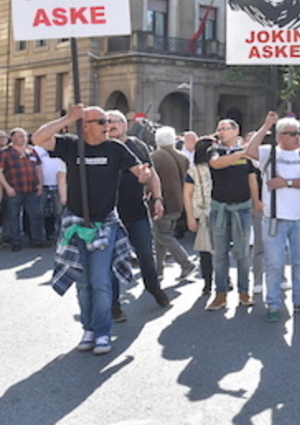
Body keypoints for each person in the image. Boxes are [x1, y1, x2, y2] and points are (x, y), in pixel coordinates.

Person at [34, 105, 145, 355]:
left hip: (104, 223)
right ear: (85, 125)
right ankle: (88, 330)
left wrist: (144, 175)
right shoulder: (71, 145)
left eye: (108, 121)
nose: (107, 125)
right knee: (83, 283)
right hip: (75, 223)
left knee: (100, 281)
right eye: (101, 121)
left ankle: (103, 332)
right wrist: (67, 118)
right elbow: (38, 138)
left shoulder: (115, 148)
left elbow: (139, 170)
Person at [246, 113, 300, 322]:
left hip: (299, 218)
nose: (298, 137)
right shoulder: (268, 152)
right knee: (274, 264)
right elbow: (249, 150)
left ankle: (299, 301)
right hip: (274, 219)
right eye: (292, 134)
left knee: (299, 261)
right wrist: (266, 125)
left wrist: (286, 182)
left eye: (298, 133)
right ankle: (273, 304)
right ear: (280, 136)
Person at [105, 110, 171, 320]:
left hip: (136, 210)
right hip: (108, 214)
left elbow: (152, 175)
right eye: (106, 122)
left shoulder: (137, 146)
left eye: (114, 121)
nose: (110, 125)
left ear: (125, 125)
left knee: (145, 253)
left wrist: (158, 199)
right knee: (111, 260)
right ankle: (114, 305)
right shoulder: (100, 147)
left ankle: (154, 288)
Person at [206, 118, 259, 311]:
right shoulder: (214, 149)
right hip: (219, 209)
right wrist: (242, 153)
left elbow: (251, 179)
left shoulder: (244, 155)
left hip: (242, 208)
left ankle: (244, 292)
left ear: (236, 131)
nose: (221, 132)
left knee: (243, 253)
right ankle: (220, 294)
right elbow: (216, 164)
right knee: (219, 254)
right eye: (219, 128)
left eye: (226, 128)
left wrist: (256, 202)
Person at [150, 126, 198, 281]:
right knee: (161, 237)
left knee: (163, 235)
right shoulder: (182, 157)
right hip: (178, 201)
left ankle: (185, 263)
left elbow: (150, 180)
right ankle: (158, 270)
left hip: (162, 202)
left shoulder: (155, 157)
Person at [0, 128, 44, 250]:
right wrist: (7, 187)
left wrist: (40, 184)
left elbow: (38, 168)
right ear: (12, 138)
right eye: (20, 136)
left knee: (35, 215)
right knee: (14, 217)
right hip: (14, 189)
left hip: (32, 189)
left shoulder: (32, 151)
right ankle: (16, 242)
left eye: (24, 136)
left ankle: (37, 240)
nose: (23, 138)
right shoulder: (5, 153)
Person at [184, 137, 216, 294]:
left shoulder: (192, 171)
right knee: (220, 249)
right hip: (217, 211)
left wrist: (190, 217)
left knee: (205, 251)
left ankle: (208, 283)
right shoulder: (218, 167)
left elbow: (187, 195)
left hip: (201, 212)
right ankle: (223, 281)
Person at [34, 144, 66, 245]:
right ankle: (41, 238)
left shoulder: (62, 147)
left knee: (59, 213)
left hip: (58, 185)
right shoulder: (36, 149)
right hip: (42, 186)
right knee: (40, 213)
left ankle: (61, 238)